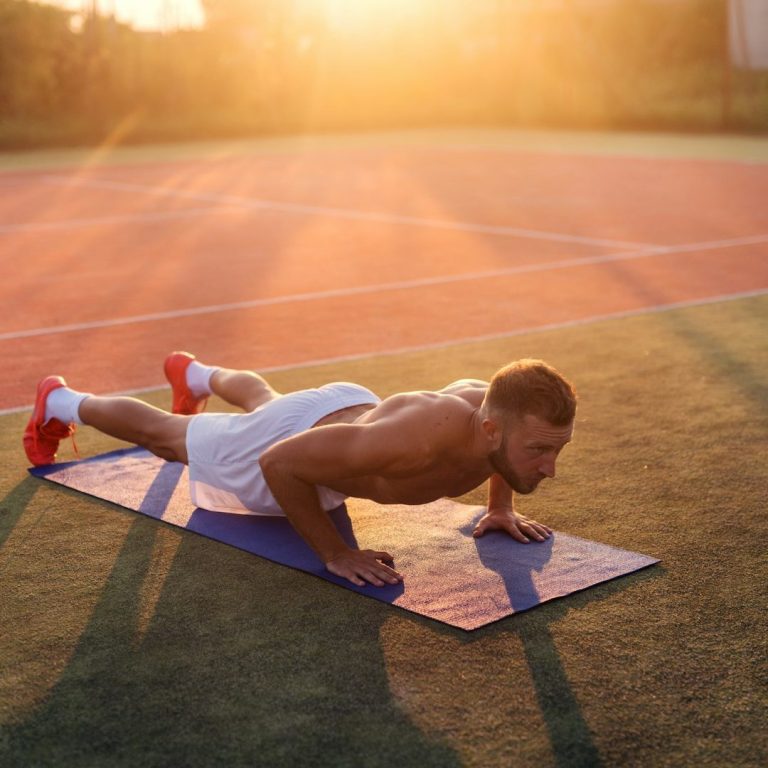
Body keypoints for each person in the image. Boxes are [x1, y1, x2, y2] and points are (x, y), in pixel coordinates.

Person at [23, 353, 576, 588]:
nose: (549, 468)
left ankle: (193, 372)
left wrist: (500, 504)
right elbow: (279, 462)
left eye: (554, 450)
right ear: (490, 431)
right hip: (298, 438)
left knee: (269, 401)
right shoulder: (413, 437)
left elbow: (507, 442)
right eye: (540, 452)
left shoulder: (496, 415)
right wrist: (334, 553)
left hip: (344, 412)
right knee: (168, 439)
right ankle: (63, 402)